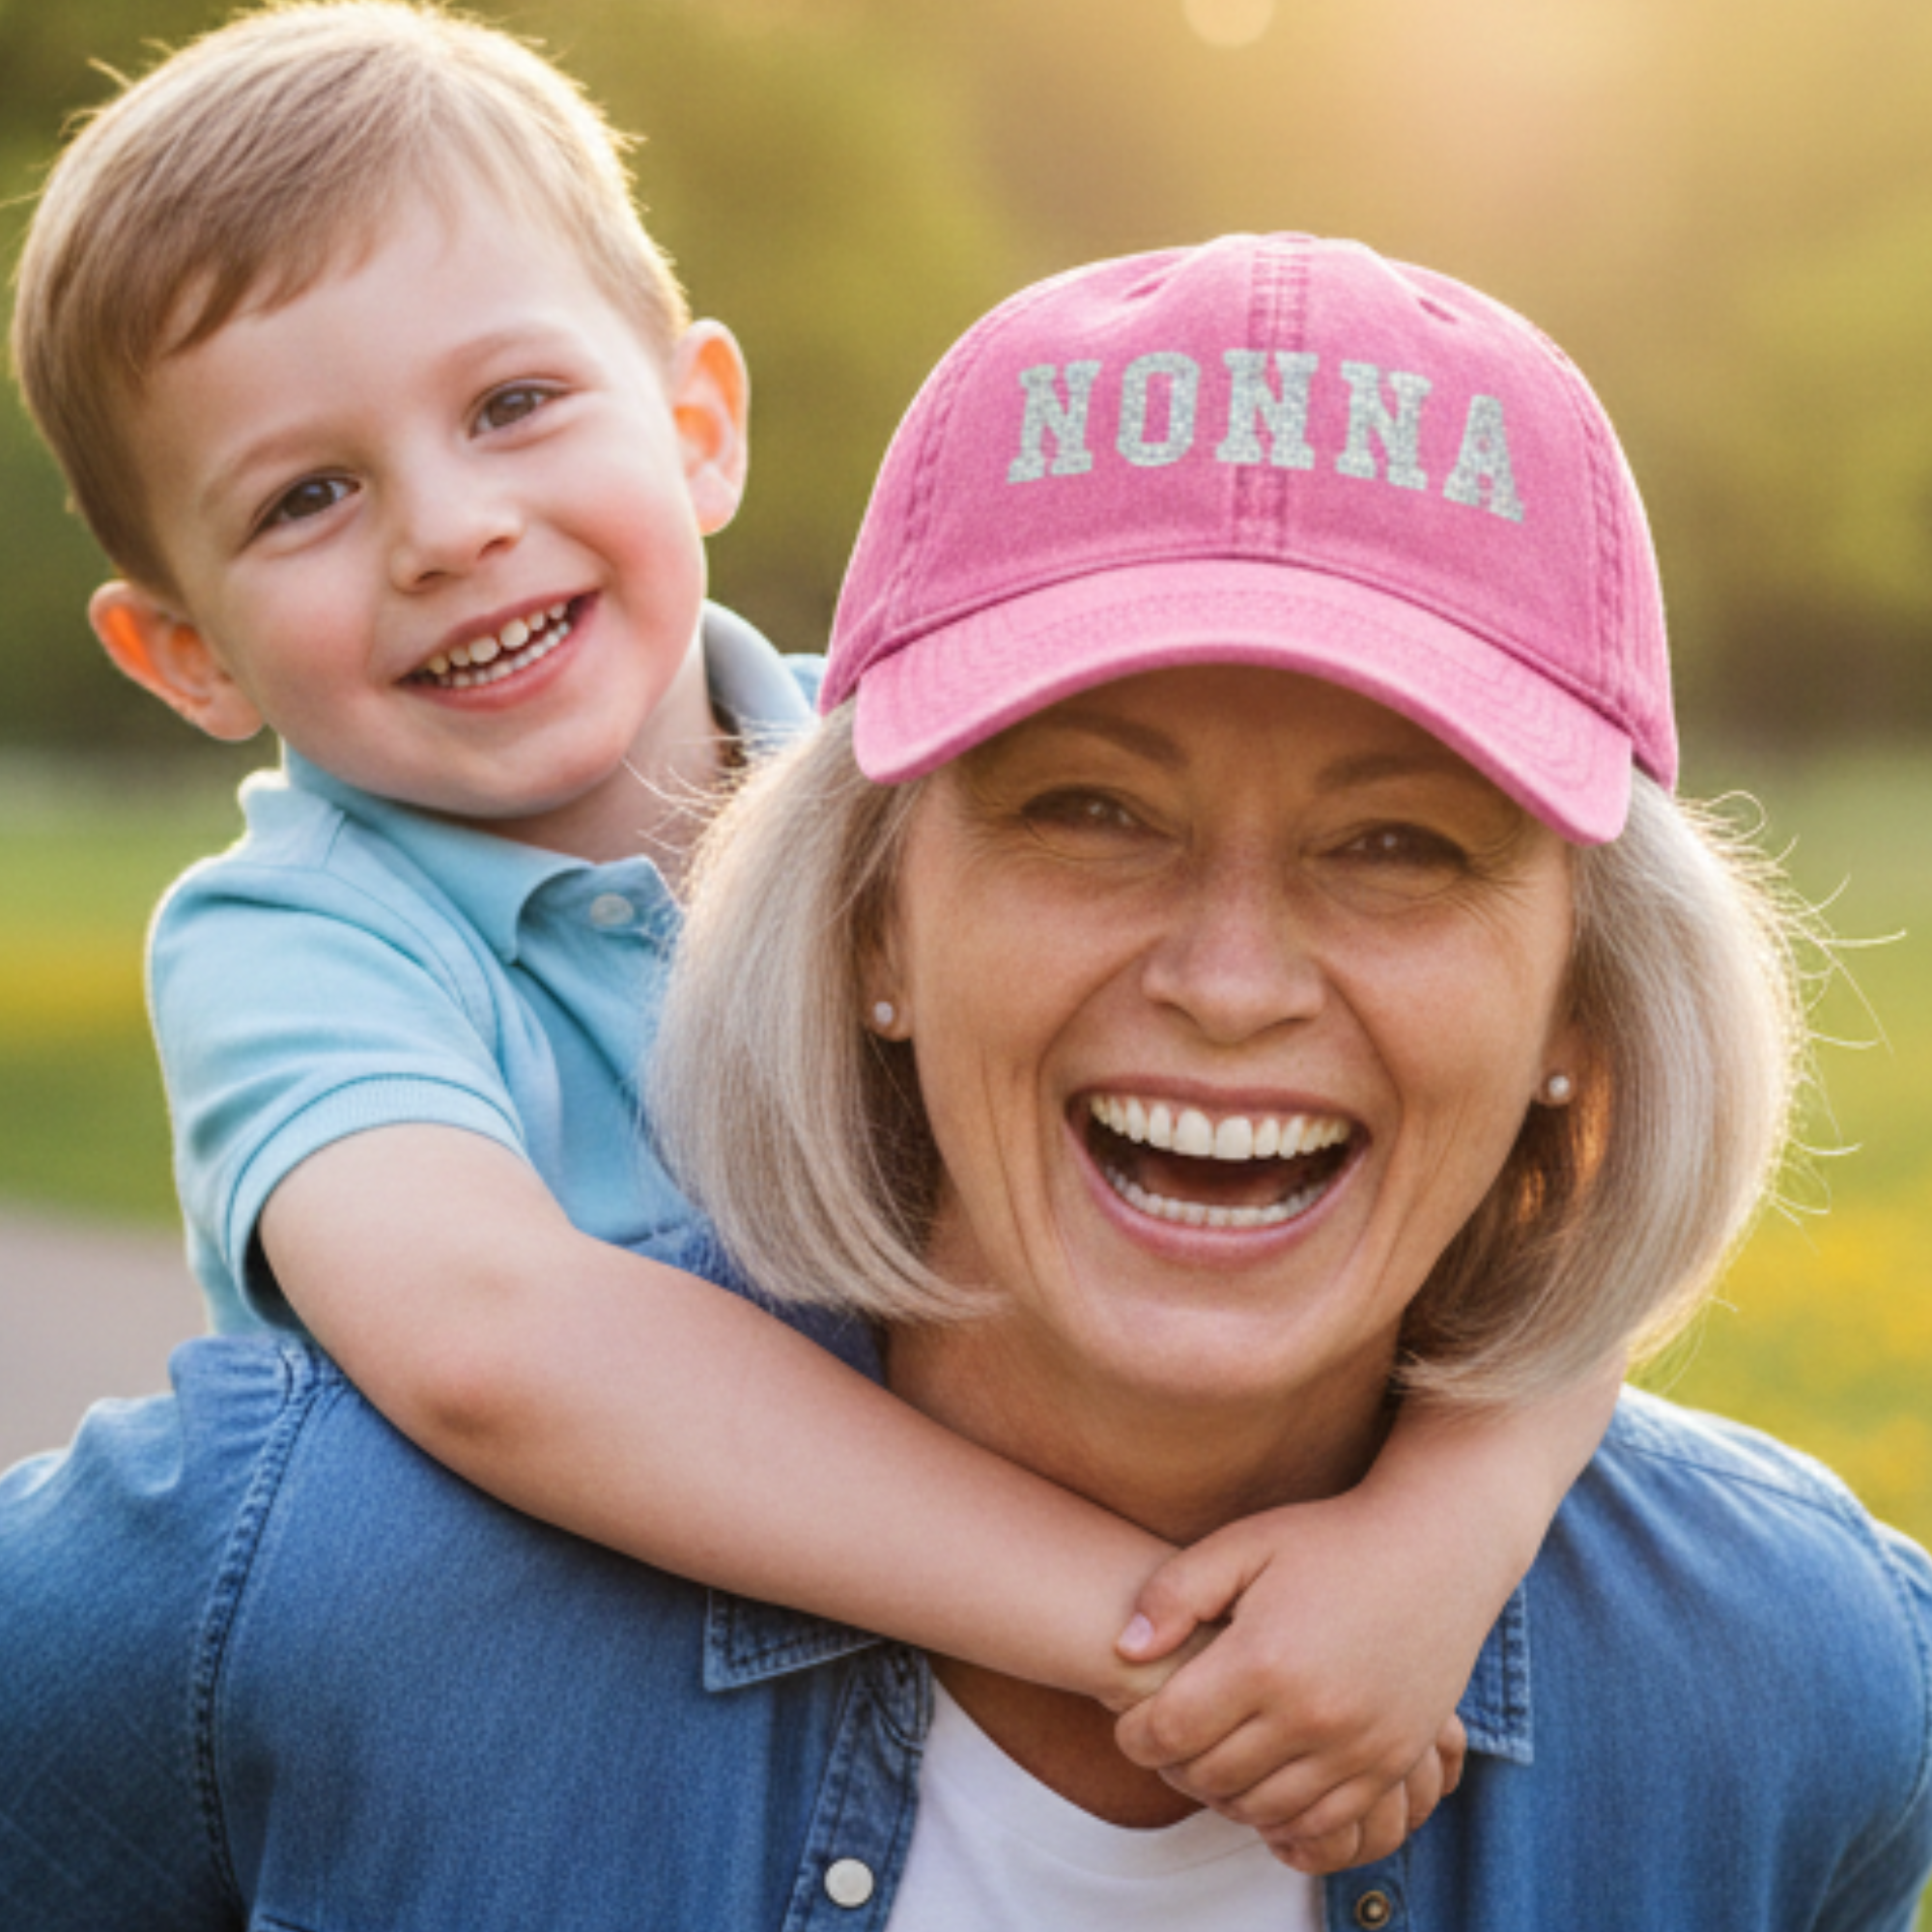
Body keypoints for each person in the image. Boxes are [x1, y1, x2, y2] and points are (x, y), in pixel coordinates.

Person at [5, 231, 1928, 1930]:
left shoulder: (1794, 1689)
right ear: (864, 930)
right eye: (1085, 810)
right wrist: (1173, 1632)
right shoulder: (285, 1581)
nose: (1231, 982)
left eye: (1401, 846)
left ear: (1579, 1010)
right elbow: (489, 1338)